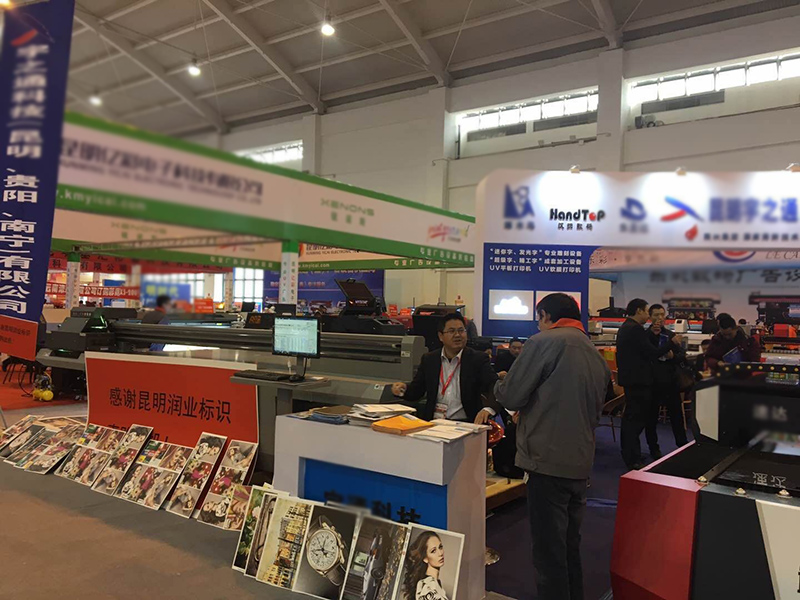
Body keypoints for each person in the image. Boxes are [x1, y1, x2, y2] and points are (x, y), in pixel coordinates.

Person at [493, 293, 611, 600]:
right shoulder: (592, 351)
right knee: (569, 546)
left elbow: (511, 395)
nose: (538, 324)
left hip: (546, 459)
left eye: (538, 318)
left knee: (548, 553)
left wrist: (500, 381)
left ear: (546, 316)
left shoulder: (542, 342)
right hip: (580, 461)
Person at [391, 313, 497, 423]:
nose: (457, 335)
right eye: (451, 331)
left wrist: (489, 409)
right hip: (434, 423)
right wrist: (403, 390)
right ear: (440, 336)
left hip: (466, 423)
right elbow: (417, 391)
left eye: (461, 331)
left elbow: (495, 386)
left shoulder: (478, 359)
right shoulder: (429, 359)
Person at [616, 298, 684, 469]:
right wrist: (670, 344)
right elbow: (652, 353)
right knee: (636, 421)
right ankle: (633, 458)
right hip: (640, 381)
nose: (653, 317)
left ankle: (634, 455)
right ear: (639, 311)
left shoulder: (628, 328)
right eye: (649, 312)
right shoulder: (636, 330)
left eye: (662, 314)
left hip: (652, 381)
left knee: (635, 420)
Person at [646, 304, 689, 451]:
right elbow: (647, 356)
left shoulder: (671, 336)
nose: (659, 318)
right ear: (649, 317)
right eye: (656, 315)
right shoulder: (645, 336)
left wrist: (673, 357)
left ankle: (682, 446)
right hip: (652, 382)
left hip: (671, 382)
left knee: (677, 417)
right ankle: (654, 448)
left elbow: (682, 356)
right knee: (651, 418)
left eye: (661, 315)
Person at [402, 531, 448, 600]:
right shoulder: (427, 586)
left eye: (440, 547)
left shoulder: (434, 584)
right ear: (425, 558)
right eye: (433, 551)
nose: (440, 553)